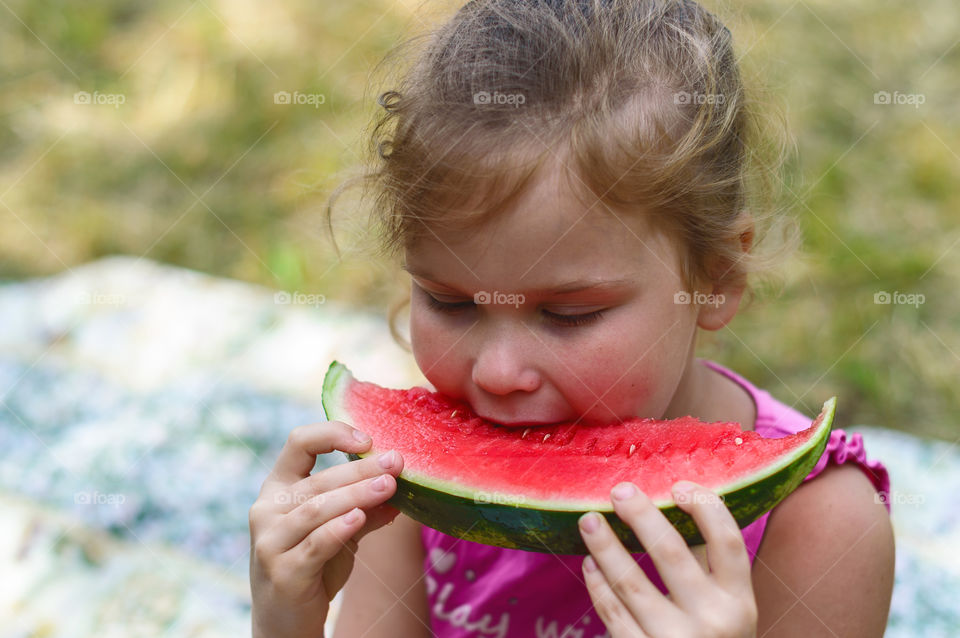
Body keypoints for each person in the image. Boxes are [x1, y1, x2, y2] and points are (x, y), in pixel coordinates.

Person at [249, 0, 895, 636]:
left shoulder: (821, 519)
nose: (499, 373)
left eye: (567, 314)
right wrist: (286, 617)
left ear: (715, 279)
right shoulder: (408, 490)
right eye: (449, 302)